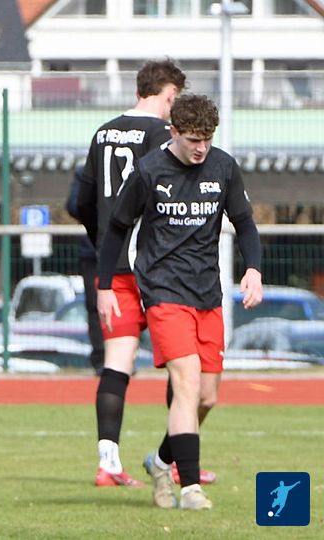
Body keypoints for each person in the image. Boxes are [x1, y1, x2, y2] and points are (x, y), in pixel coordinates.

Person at [96, 93, 263, 510]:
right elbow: (117, 227)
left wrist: (254, 269)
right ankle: (189, 488)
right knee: (186, 381)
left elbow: (245, 223)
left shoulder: (224, 167)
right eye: (193, 139)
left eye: (207, 138)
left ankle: (160, 461)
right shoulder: (149, 170)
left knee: (206, 397)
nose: (201, 147)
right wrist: (105, 285)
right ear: (173, 132)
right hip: (163, 291)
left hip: (208, 294)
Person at [76, 59, 186, 488]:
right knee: (182, 363)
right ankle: (177, 460)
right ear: (168, 95)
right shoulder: (162, 135)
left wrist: (104, 238)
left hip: (114, 265)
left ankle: (108, 464)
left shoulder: (103, 132)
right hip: (154, 265)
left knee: (116, 363)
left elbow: (82, 201)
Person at [65, 166, 103, 375]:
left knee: (128, 306)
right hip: (92, 252)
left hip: (125, 252)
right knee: (95, 306)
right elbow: (74, 205)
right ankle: (101, 359)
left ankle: (126, 355)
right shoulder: (86, 173)